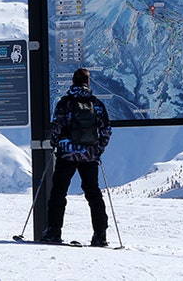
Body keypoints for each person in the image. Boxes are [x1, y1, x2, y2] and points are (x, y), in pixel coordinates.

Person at [43, 68, 112, 247]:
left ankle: (53, 232)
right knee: (93, 193)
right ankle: (100, 235)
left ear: (73, 81)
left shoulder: (64, 103)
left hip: (67, 153)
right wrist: (98, 150)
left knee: (59, 192)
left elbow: (56, 126)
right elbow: (106, 130)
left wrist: (56, 143)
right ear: (88, 82)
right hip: (89, 155)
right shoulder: (96, 104)